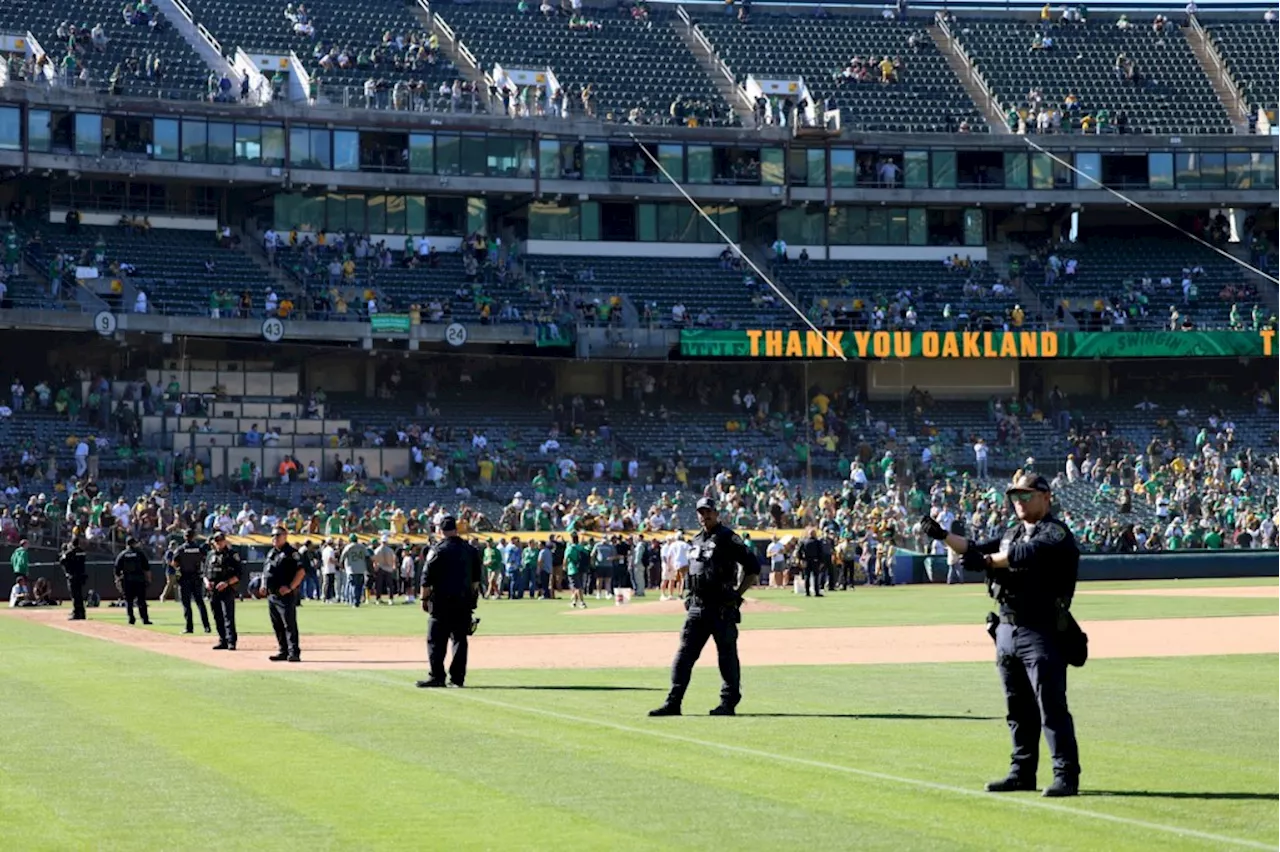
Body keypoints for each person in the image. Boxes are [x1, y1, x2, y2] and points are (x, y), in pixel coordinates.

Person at [921, 473, 1082, 797]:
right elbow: (975, 549)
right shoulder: (1011, 532)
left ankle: (1065, 775)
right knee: (1017, 708)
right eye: (1015, 498)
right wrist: (943, 536)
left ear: (1045, 497)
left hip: (1041, 628)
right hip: (1008, 627)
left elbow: (1025, 554)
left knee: (1051, 706)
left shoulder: (1055, 533)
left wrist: (986, 561)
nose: (1019, 503)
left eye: (1026, 496)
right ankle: (1021, 772)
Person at [650, 497, 760, 717]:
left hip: (721, 607)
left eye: (708, 511)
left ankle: (727, 703)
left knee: (726, 656)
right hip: (697, 606)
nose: (704, 516)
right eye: (700, 512)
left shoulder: (728, 538)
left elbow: (752, 568)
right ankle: (673, 702)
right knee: (684, 655)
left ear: (716, 513)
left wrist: (737, 595)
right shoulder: (696, 540)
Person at [417, 516, 482, 688]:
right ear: (456, 529)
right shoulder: (470, 550)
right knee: (460, 639)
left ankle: (437, 676)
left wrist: (424, 599)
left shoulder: (437, 550)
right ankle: (457, 678)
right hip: (463, 601)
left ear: (441, 531)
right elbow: (476, 580)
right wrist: (473, 600)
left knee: (436, 641)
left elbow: (426, 577)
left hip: (441, 602)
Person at [262, 525, 304, 662]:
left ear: (285, 536)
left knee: (289, 624)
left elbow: (301, 572)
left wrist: (291, 587)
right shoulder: (271, 552)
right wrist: (263, 585)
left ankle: (294, 652)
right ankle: (283, 651)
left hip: (285, 595)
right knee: (277, 624)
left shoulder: (291, 553)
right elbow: (265, 571)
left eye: (278, 535)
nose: (274, 538)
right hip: (272, 595)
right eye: (273, 535)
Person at [204, 531, 242, 650]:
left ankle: (231, 641)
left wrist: (226, 583)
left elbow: (239, 574)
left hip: (227, 589)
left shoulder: (232, 555)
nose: (219, 543)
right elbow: (205, 572)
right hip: (213, 590)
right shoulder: (210, 555)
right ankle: (222, 640)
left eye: (221, 540)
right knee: (217, 616)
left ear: (225, 541)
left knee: (228, 616)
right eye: (216, 541)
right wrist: (206, 583)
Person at [172, 528, 212, 634]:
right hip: (196, 577)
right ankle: (206, 626)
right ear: (194, 537)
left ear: (185, 537)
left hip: (184, 578)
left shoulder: (180, 549)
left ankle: (189, 628)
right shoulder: (199, 549)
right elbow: (205, 559)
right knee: (200, 603)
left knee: (186, 604)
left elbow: (174, 563)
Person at [114, 537, 152, 625]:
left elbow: (116, 569)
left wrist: (118, 580)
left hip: (127, 581)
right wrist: (149, 579)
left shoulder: (122, 554)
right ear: (134, 543)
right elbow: (146, 568)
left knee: (129, 601)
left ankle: (131, 619)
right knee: (141, 600)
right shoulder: (140, 553)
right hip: (139, 580)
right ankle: (145, 619)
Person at [60, 533, 88, 620]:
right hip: (81, 575)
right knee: (79, 594)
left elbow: (62, 560)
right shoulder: (82, 552)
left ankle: (76, 613)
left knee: (74, 595)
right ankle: (82, 613)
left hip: (73, 576)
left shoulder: (70, 552)